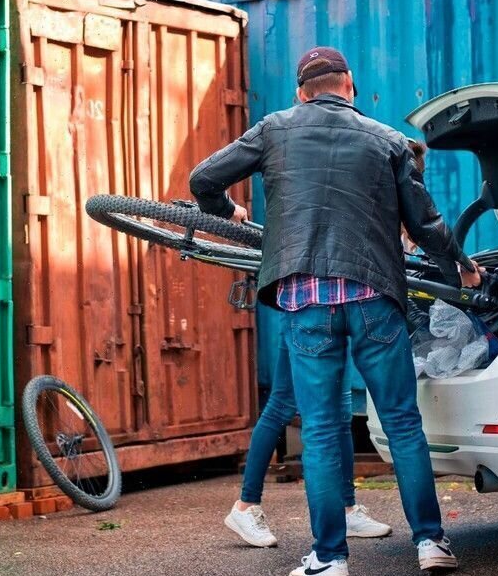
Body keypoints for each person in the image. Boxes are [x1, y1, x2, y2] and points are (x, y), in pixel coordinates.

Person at [190, 46, 481, 576]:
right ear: (349, 85)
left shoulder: (274, 128)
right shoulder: (389, 140)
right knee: (402, 422)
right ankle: (431, 543)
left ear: (302, 92)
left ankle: (329, 559)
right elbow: (425, 224)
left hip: (307, 304)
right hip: (374, 299)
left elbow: (203, 179)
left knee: (321, 430)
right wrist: (461, 268)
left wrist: (225, 210)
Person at [223, 334, 391, 547]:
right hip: (305, 315)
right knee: (280, 407)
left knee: (341, 414)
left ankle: (346, 510)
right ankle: (245, 506)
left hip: (335, 317)